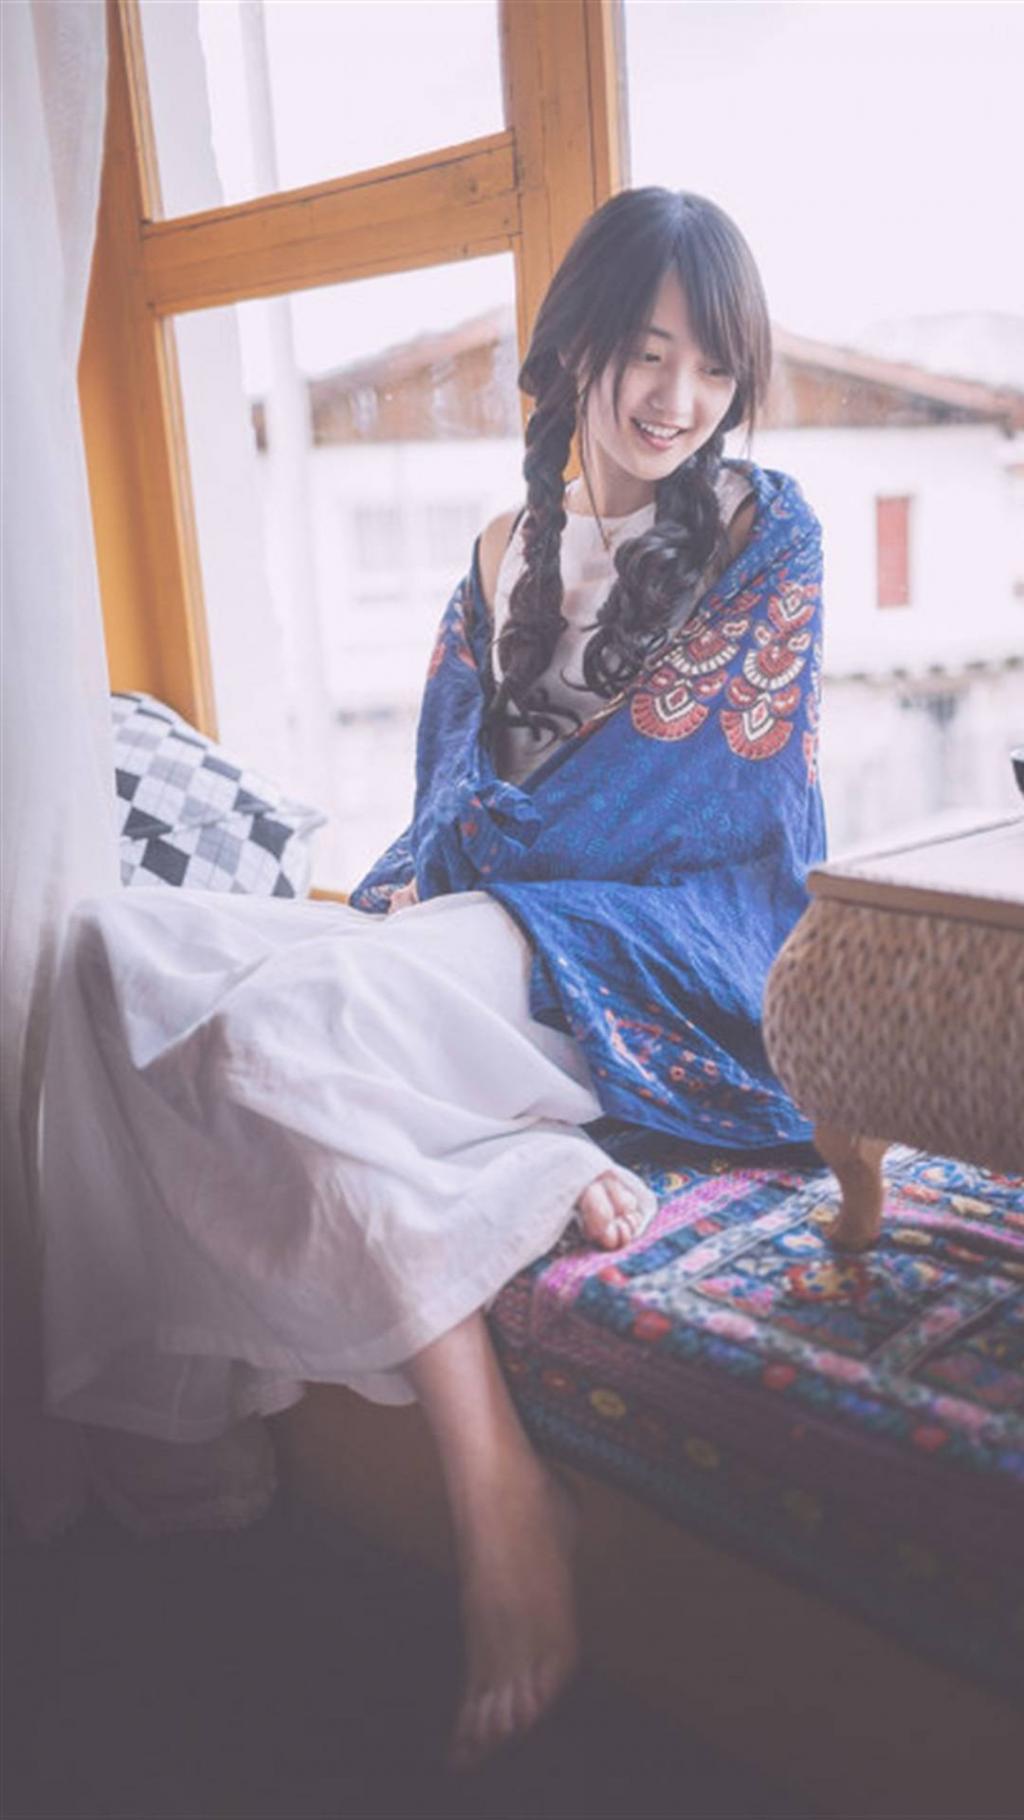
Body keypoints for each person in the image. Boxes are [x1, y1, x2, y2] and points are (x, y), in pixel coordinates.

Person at [39, 188, 825, 1773]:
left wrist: (472, 877)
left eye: (714, 365)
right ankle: (508, 1180)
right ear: (578, 347)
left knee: (272, 1032)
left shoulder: (767, 528)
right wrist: (424, 888)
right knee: (101, 960)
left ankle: (494, 1481)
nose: (678, 396)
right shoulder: (500, 547)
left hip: (647, 954)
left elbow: (705, 806)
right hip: (480, 933)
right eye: (648, 350)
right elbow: (453, 796)